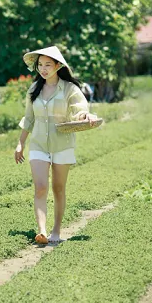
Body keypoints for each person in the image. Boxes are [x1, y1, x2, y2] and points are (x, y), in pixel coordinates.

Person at [13, 46, 97, 245]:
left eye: (47, 65)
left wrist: (86, 116)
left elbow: (80, 110)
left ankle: (56, 231)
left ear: (58, 66)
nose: (43, 69)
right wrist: (20, 143)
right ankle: (41, 231)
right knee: (40, 187)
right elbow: (29, 118)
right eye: (40, 65)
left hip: (62, 145)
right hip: (39, 144)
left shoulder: (70, 89)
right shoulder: (34, 89)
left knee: (58, 188)